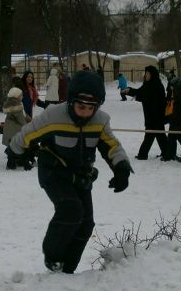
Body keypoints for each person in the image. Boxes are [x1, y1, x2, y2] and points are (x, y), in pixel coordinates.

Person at [8, 70, 132, 274]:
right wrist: (15, 150)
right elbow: (28, 132)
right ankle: (53, 257)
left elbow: (112, 146)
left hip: (81, 175)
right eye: (80, 106)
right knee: (71, 210)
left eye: (90, 108)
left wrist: (122, 168)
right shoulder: (53, 115)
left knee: (86, 223)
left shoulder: (100, 121)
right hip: (53, 172)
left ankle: (68, 269)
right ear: (71, 101)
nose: (85, 112)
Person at [123, 65, 170, 161]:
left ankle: (144, 154)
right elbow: (140, 92)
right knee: (157, 136)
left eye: (148, 73)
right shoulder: (147, 84)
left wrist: (138, 97)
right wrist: (129, 90)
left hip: (157, 116)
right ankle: (166, 153)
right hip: (150, 116)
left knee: (153, 135)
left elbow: (151, 99)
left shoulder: (157, 85)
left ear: (152, 74)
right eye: (146, 73)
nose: (146, 75)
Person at [1, 86, 31, 170]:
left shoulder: (16, 103)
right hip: (14, 130)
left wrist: (31, 121)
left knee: (14, 146)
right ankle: (15, 164)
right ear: (16, 96)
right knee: (18, 146)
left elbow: (24, 115)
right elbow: (21, 119)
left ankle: (14, 163)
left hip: (12, 129)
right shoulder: (15, 105)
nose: (22, 96)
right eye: (21, 95)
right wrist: (28, 126)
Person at [165, 78, 181, 162]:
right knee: (172, 138)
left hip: (178, 121)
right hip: (175, 120)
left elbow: (178, 109)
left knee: (179, 137)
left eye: (171, 86)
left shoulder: (180, 95)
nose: (170, 88)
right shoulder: (177, 94)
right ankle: (170, 155)